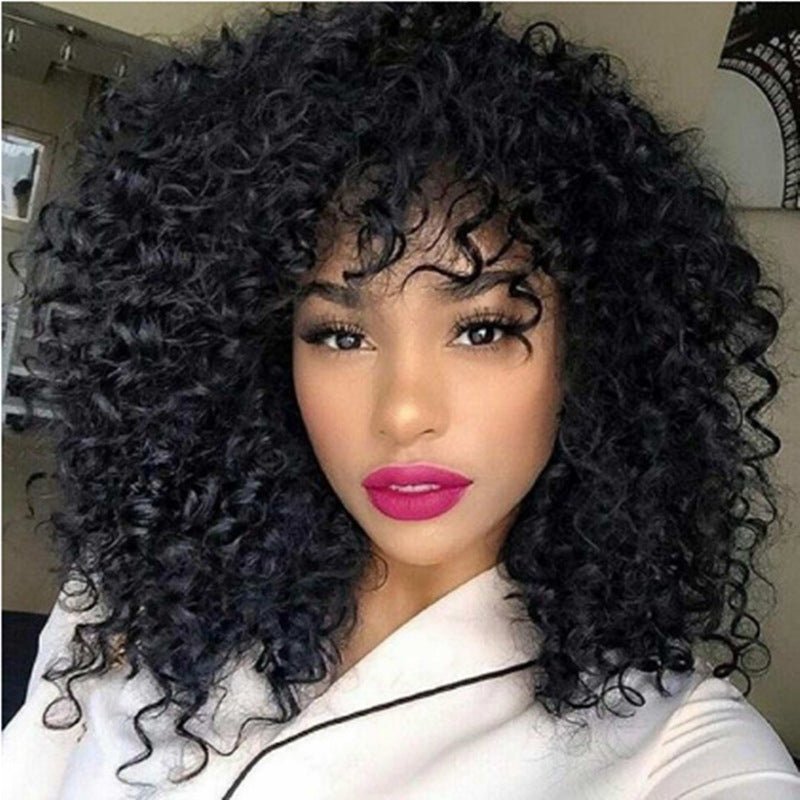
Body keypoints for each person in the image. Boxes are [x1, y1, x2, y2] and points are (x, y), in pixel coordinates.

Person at [3, 3, 799, 798]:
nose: (404, 411)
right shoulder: (130, 604)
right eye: (340, 336)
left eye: (482, 330)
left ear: (594, 348)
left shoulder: (677, 752)